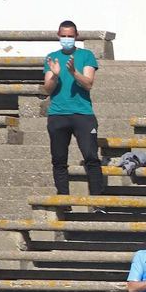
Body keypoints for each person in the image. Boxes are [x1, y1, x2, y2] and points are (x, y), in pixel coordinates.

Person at [42, 20, 102, 191]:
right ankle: (63, 199)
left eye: (70, 36)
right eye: (64, 36)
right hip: (58, 115)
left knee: (91, 157)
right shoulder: (52, 57)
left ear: (76, 36)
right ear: (58, 36)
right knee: (59, 160)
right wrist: (54, 75)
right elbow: (47, 88)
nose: (67, 39)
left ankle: (98, 200)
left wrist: (73, 72)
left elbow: (88, 84)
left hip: (82, 114)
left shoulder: (86, 56)